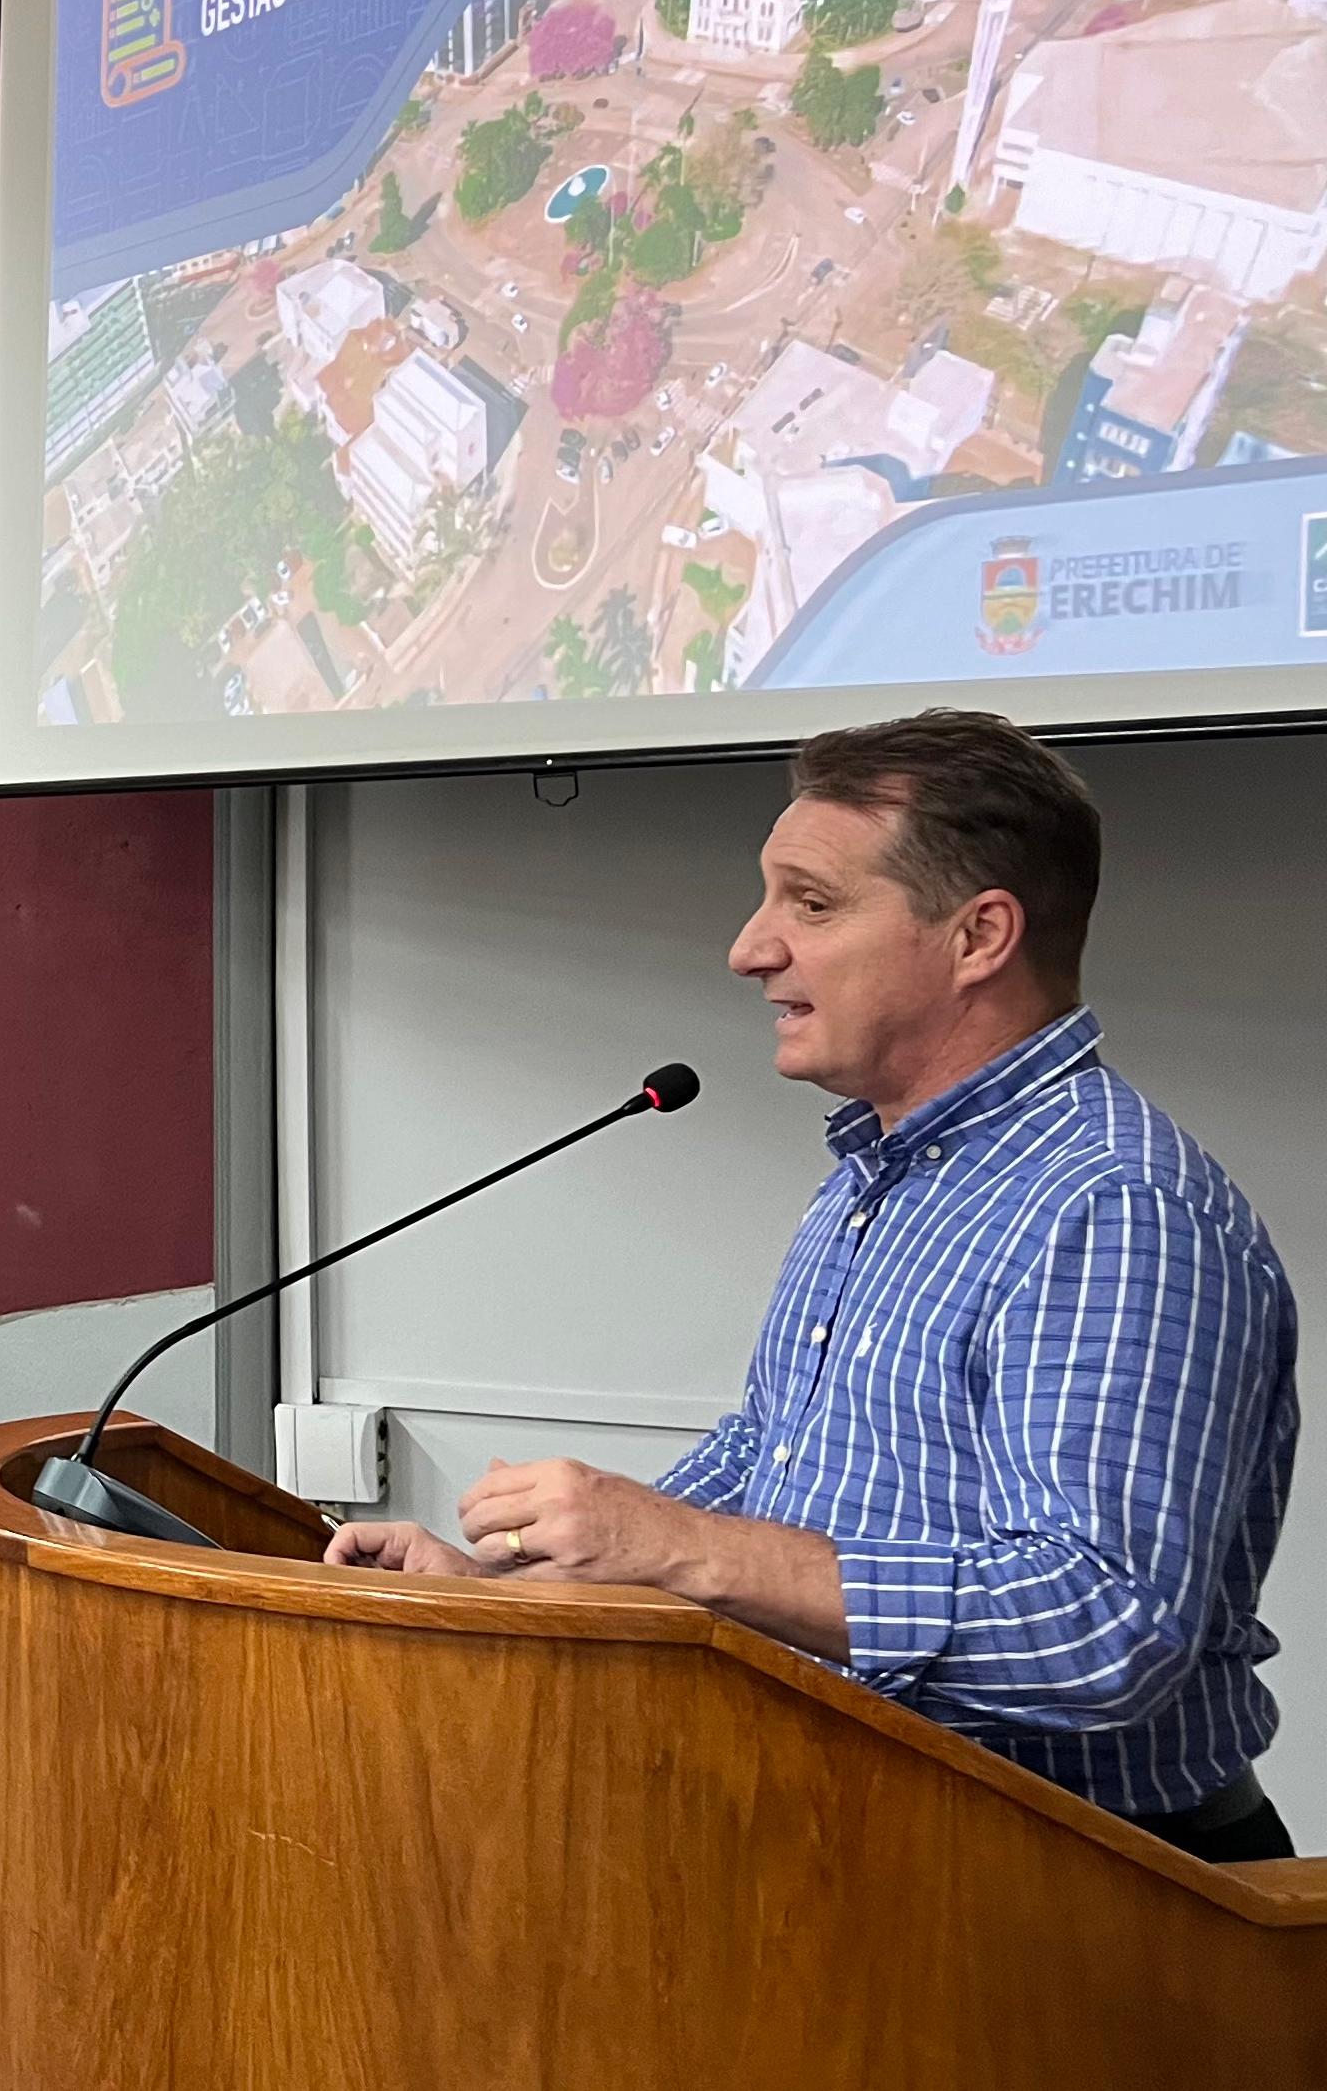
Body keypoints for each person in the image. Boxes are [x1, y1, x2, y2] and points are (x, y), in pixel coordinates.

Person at [326, 711, 1300, 1864]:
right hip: (870, 1855)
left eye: (813, 903)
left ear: (980, 935)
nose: (750, 948)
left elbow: (1100, 1629)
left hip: (1099, 1889)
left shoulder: (1114, 1207)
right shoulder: (873, 1178)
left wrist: (678, 1547)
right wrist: (508, 1591)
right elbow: (766, 1464)